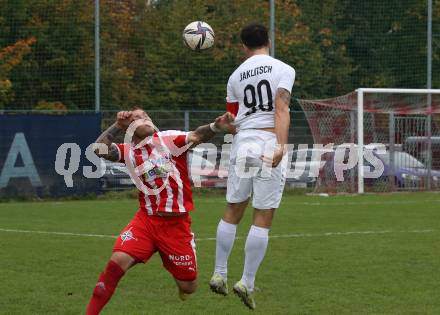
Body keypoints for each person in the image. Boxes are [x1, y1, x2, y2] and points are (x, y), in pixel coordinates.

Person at [86, 108, 234, 315]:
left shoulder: (168, 139)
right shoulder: (129, 151)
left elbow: (197, 135)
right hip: (146, 222)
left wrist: (216, 127)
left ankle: (179, 265)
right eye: (136, 119)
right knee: (116, 264)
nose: (143, 118)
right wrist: (117, 125)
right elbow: (97, 149)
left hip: (176, 226)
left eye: (145, 115)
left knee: (188, 287)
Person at [209, 23, 296, 310]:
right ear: (269, 40)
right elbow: (280, 108)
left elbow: (232, 122)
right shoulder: (283, 68)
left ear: (244, 47)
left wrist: (230, 127)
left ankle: (219, 274)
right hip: (268, 142)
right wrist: (281, 145)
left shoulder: (235, 76)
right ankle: (246, 281)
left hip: (242, 143)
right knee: (263, 215)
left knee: (233, 209)